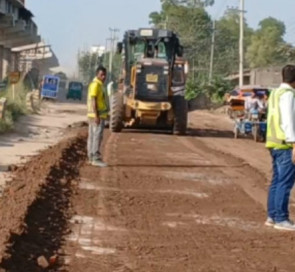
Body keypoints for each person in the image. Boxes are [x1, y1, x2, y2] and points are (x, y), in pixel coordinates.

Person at [265, 64, 295, 231]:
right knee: (285, 182)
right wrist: (294, 143)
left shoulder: (275, 93)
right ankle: (281, 219)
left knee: (277, 181)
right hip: (285, 144)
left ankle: (272, 216)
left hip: (274, 143)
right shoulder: (289, 95)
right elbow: (288, 121)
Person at [87, 66, 108, 167]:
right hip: (96, 115)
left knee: (92, 136)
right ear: (97, 74)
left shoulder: (100, 85)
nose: (103, 77)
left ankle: (91, 157)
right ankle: (95, 157)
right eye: (101, 75)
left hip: (95, 115)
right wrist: (97, 115)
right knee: (97, 137)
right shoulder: (96, 85)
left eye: (105, 75)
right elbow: (93, 100)